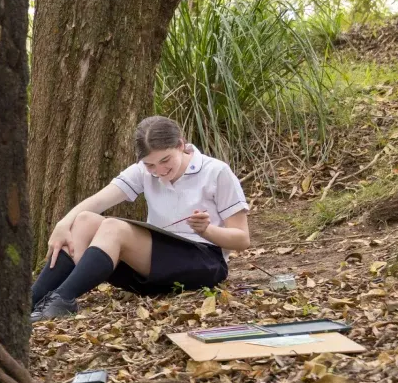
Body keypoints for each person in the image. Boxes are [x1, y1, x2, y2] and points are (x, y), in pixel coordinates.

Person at [30, 115, 252, 322]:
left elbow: (242, 240)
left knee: (114, 227)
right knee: (85, 219)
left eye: (165, 160)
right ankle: (31, 301)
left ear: (180, 145)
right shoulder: (144, 171)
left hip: (204, 263)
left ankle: (63, 300)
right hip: (154, 267)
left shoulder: (216, 171)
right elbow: (98, 201)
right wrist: (62, 224)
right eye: (150, 165)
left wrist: (207, 230)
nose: (160, 171)